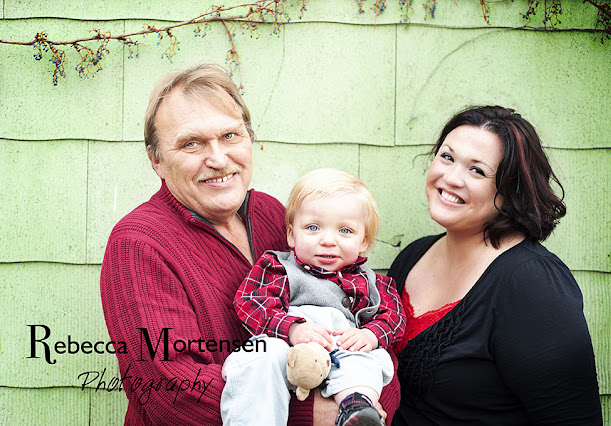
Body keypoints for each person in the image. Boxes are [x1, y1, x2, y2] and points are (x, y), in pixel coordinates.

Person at [99, 64, 401, 425]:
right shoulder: (138, 244)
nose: (217, 159)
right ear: (156, 161)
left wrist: (364, 397)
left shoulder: (273, 214)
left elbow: (372, 335)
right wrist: (318, 414)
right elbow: (170, 391)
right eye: (191, 143)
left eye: (230, 135)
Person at [388, 106, 603, 425]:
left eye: (477, 171)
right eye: (447, 157)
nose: (451, 178)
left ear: (511, 192)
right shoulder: (412, 257)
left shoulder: (532, 284)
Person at [222, 168, 406, 426]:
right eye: (313, 227)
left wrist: (370, 335)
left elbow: (394, 317)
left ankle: (355, 408)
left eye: (345, 231)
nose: (328, 240)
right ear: (291, 234)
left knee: (368, 358)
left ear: (363, 241)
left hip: (341, 351)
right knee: (260, 355)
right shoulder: (278, 268)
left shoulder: (373, 283)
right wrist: (293, 329)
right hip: (289, 353)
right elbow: (251, 303)